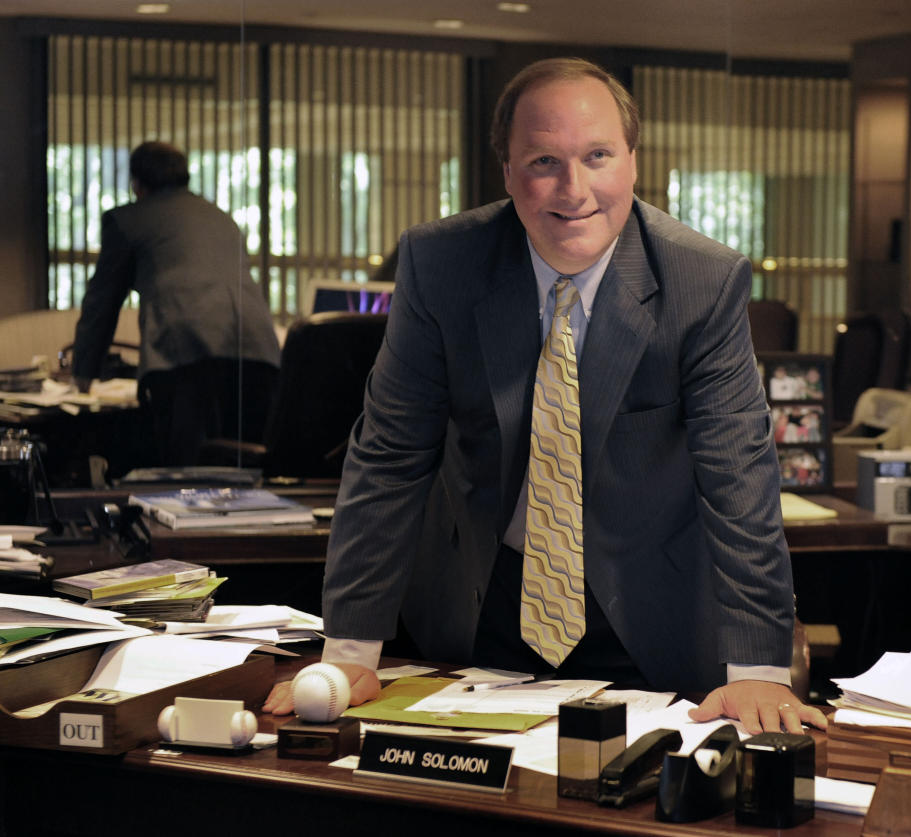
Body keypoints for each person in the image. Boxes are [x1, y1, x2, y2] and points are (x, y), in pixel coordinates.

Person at [264, 57, 826, 734]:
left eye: (597, 156)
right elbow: (390, 456)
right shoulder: (442, 265)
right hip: (481, 604)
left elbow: (740, 477)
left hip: (654, 616)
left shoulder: (701, 281)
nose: (575, 188)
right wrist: (351, 650)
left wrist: (760, 673)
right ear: (506, 172)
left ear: (632, 161)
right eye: (543, 161)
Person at [71, 141, 281, 467]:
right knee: (247, 472)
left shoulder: (127, 220)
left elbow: (102, 302)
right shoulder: (221, 218)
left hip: (186, 355)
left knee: (185, 475)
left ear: (137, 184)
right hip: (259, 352)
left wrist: (83, 374)